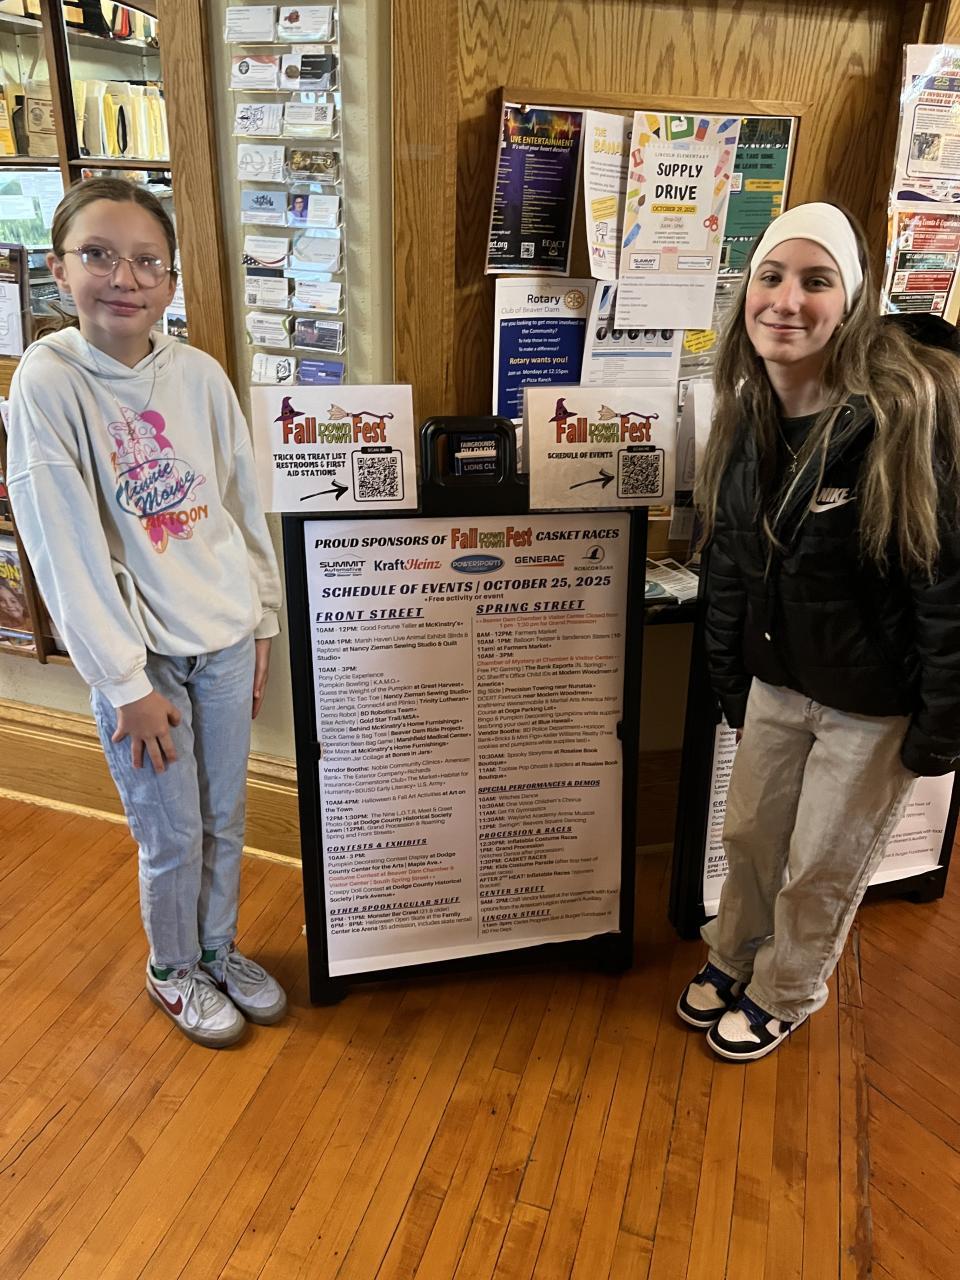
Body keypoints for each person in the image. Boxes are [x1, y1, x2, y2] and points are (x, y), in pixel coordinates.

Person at [5, 177, 286, 1049]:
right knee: (171, 833)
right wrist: (124, 683)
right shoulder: (49, 384)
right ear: (59, 269)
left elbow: (240, 504)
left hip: (224, 637)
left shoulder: (198, 374)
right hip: (142, 659)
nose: (123, 278)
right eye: (97, 255)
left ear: (170, 279)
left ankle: (217, 947)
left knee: (225, 818)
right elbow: (61, 548)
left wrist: (261, 619)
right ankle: (173, 967)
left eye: (146, 261)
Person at [677, 202, 960, 1062]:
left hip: (871, 704)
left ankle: (787, 988)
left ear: (852, 302)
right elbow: (731, 564)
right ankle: (733, 955)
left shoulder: (902, 415)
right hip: (778, 681)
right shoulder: (745, 413)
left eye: (816, 281)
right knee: (750, 840)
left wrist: (943, 721)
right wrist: (731, 678)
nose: (787, 300)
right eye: (771, 276)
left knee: (821, 865)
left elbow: (944, 582)